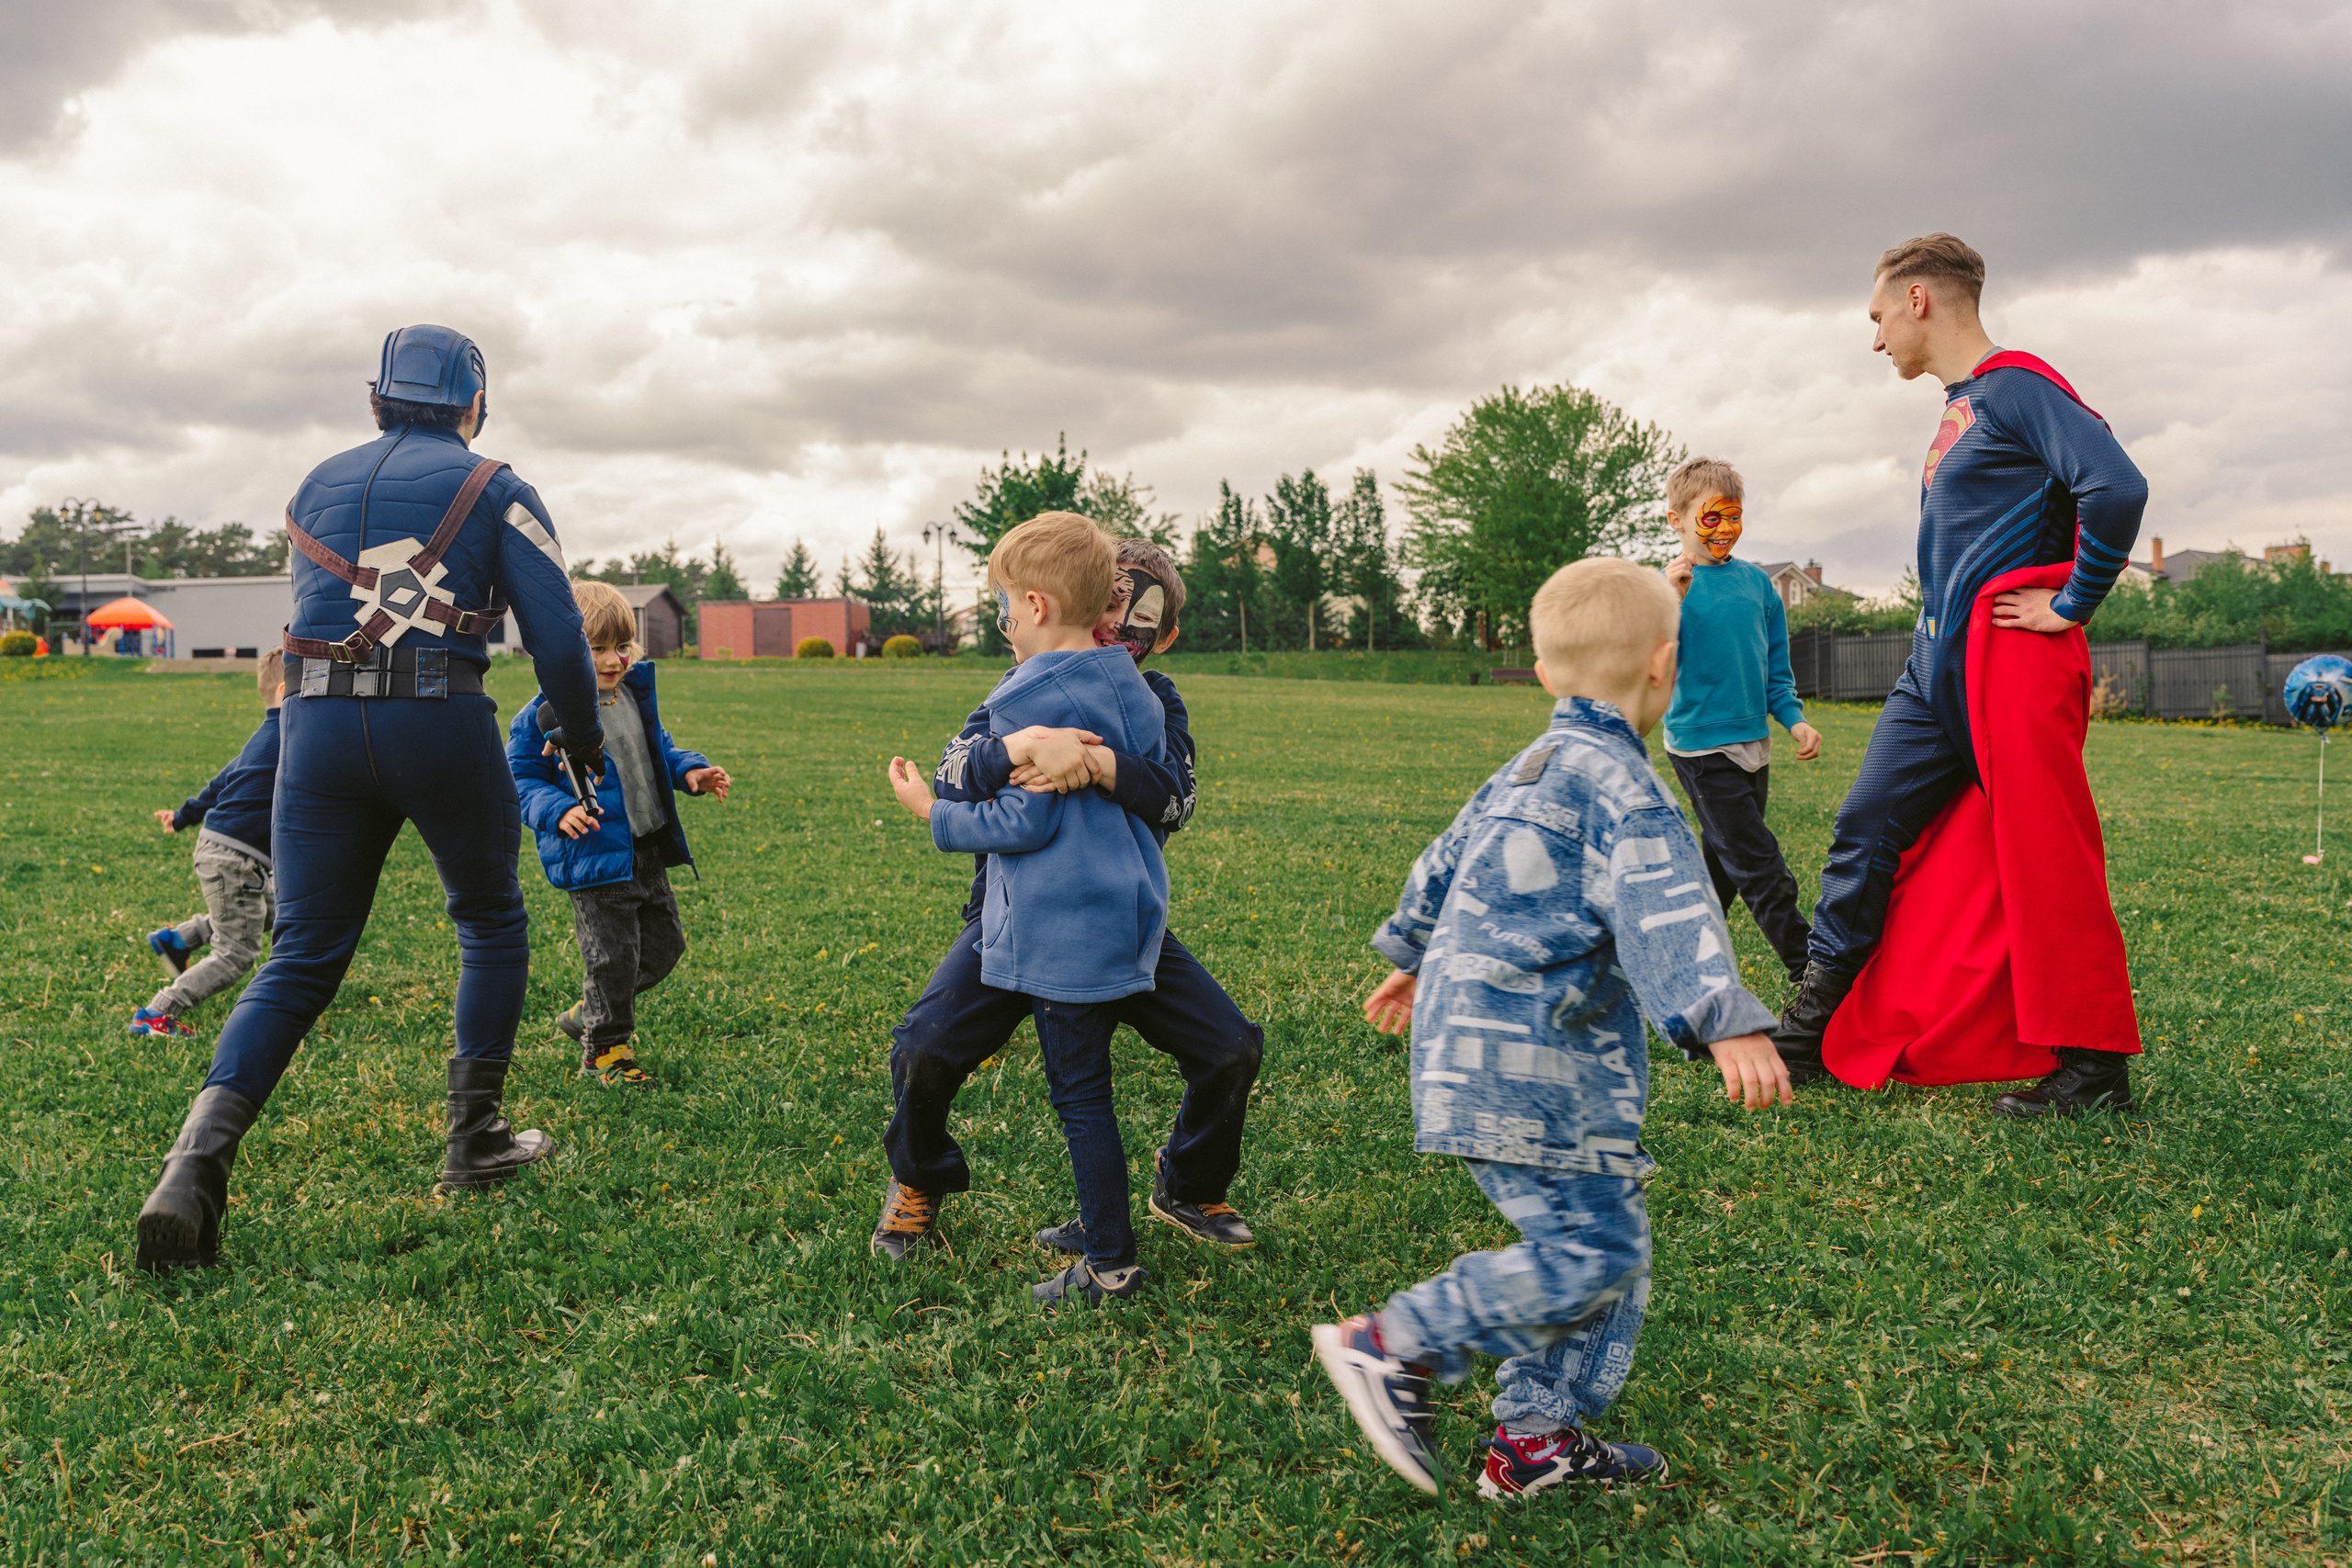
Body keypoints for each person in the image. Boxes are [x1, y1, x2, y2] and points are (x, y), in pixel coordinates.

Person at [1311, 558, 1788, 1501]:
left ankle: (1533, 1445)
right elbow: (1664, 913)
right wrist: (1722, 1018)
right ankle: (1394, 1343)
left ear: (1542, 672)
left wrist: (1410, 952)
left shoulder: (1523, 768)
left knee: (1608, 1244)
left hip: (1476, 1044)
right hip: (1537, 1062)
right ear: (1666, 667)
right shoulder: (1629, 791)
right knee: (1592, 1254)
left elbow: (1441, 863)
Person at [134, 323, 606, 1274]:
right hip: (439, 721)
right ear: (474, 403)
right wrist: (582, 746)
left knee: (301, 955)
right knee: (487, 921)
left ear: (376, 399)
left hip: (313, 736)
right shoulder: (498, 486)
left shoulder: (314, 485)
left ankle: (191, 1167)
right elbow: (559, 640)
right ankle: (474, 1141)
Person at [1770, 234, 2148, 1116]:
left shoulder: (2017, 384)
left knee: (2046, 857)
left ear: (1918, 300)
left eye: (1876, 319)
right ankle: (1811, 1028)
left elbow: (2116, 487)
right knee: (1868, 824)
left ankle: (2094, 1070)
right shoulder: (1968, 401)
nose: (1874, 342)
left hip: (2010, 661)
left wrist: (2074, 600)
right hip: (1934, 664)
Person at [872, 537, 1261, 1268]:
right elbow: (956, 768)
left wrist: (1100, 762)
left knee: (1231, 1046)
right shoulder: (1024, 686)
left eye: (1135, 613)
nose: (1116, 621)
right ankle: (917, 1180)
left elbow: (1175, 801)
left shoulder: (1155, 703)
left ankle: (1187, 1184)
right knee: (924, 1047)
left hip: (1112, 924)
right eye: (1110, 600)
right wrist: (1023, 745)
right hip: (1013, 917)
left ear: (1165, 636)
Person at [882, 512, 1172, 1307]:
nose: (1002, 620)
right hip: (1126, 913)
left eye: (1004, 604)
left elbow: (1023, 820)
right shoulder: (1132, 684)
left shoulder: (1026, 694)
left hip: (1056, 928)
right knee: (1069, 1085)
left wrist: (926, 810)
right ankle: (1099, 1229)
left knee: (1081, 1097)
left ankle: (1109, 1264)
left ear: (1038, 606)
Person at [508, 581, 731, 1089]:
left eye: (622, 646)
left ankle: (590, 1010)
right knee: (612, 959)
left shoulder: (633, 695)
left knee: (665, 946)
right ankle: (605, 1052)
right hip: (595, 856)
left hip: (645, 848)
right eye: (597, 648)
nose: (614, 660)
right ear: (560, 653)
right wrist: (558, 809)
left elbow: (660, 751)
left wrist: (690, 772)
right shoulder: (544, 715)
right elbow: (520, 778)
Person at [1658, 458, 1824, 987]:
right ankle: (1812, 973)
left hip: (1755, 745)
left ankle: (1676, 969)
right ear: (1676, 521)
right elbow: (1652, 662)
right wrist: (1671, 600)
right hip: (1702, 750)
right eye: (1711, 517)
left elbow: (1777, 670)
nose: (1724, 528)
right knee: (1761, 866)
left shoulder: (1758, 586)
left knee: (1723, 870)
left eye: (1734, 516)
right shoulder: (1665, 592)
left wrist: (1793, 721)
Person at [134, 650, 288, 1038]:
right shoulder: (292, 736)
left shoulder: (266, 736)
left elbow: (222, 781)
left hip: (225, 850)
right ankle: (156, 1013)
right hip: (234, 859)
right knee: (236, 953)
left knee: (272, 914)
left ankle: (177, 940)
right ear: (287, 692)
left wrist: (182, 815)